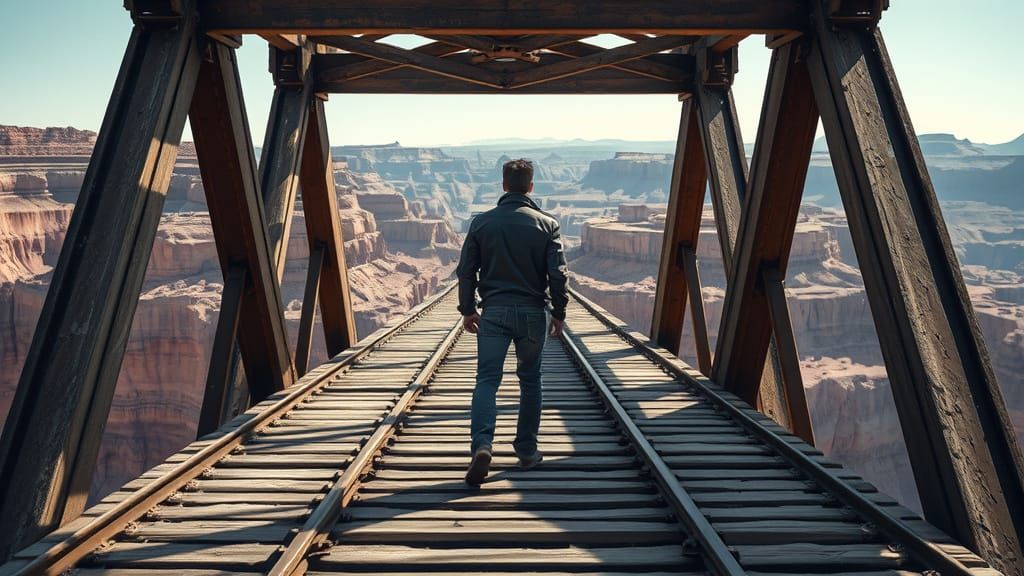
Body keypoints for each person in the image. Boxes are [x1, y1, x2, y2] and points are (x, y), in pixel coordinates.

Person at [456, 158, 569, 486]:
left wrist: (467, 309)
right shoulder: (547, 224)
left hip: (494, 312)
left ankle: (482, 445)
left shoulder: (481, 223)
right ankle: (526, 450)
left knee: (487, 379)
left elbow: (466, 271)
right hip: (533, 313)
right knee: (531, 380)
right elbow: (557, 274)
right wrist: (559, 312)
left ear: (504, 185)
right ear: (530, 187)